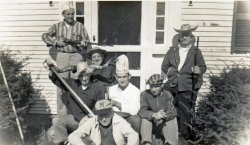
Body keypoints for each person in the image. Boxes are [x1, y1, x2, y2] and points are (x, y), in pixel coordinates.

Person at [42, 3, 90, 114]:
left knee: (77, 84)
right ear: (63, 14)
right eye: (68, 14)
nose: (70, 16)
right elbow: (44, 36)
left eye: (72, 13)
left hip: (77, 56)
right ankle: (61, 115)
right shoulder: (57, 26)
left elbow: (86, 42)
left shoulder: (80, 26)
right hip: (62, 56)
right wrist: (55, 42)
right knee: (61, 85)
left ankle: (77, 113)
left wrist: (83, 43)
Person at [161, 24, 207, 141]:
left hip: (187, 86)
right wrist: (173, 72)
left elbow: (203, 67)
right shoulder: (172, 50)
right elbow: (164, 66)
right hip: (172, 84)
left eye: (187, 35)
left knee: (185, 114)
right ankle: (165, 136)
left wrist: (198, 70)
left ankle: (184, 140)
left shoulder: (196, 51)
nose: (185, 37)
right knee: (164, 105)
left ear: (191, 37)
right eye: (183, 35)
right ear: (180, 37)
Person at [48, 61, 105, 145]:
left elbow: (101, 108)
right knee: (57, 120)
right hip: (75, 120)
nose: (84, 78)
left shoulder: (97, 87)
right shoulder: (72, 84)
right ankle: (64, 142)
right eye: (81, 76)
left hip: (89, 121)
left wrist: (88, 117)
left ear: (90, 74)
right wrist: (51, 69)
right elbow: (57, 80)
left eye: (86, 75)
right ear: (78, 76)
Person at [68, 99, 139, 145]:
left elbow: (133, 135)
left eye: (106, 114)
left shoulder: (119, 120)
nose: (104, 118)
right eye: (101, 115)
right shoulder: (92, 121)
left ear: (111, 112)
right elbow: (73, 136)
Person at [138, 74, 178, 145]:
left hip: (163, 122)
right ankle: (147, 143)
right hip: (152, 123)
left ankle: (170, 143)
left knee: (172, 119)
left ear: (162, 85)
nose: (153, 89)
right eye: (151, 86)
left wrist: (163, 116)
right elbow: (142, 111)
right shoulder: (145, 94)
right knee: (145, 120)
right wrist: (154, 115)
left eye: (156, 86)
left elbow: (172, 111)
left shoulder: (167, 94)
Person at [107, 54, 141, 133]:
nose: (122, 80)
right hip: (113, 119)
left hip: (128, 119)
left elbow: (135, 110)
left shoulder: (135, 90)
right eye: (119, 77)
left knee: (136, 120)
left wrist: (117, 104)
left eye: (124, 77)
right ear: (116, 77)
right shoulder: (111, 89)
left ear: (129, 76)